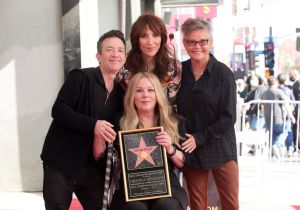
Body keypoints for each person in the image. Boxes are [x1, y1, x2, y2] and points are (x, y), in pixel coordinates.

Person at [40, 30, 126, 210]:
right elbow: (59, 110)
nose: (115, 54)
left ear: (125, 58)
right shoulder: (80, 77)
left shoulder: (121, 92)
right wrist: (93, 125)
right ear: (99, 56)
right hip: (61, 161)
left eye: (120, 50)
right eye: (109, 50)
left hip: (93, 167)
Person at [176, 17, 239, 210]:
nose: (197, 46)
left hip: (221, 147)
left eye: (203, 41)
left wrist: (200, 138)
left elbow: (229, 118)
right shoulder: (179, 71)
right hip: (191, 148)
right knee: (197, 205)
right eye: (191, 41)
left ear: (210, 42)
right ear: (184, 43)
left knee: (229, 204)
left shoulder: (223, 74)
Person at [110, 72, 188, 210]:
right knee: (135, 207)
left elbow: (184, 165)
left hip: (168, 186)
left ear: (158, 94)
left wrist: (170, 149)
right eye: (139, 91)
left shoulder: (175, 122)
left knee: (165, 205)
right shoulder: (119, 123)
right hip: (131, 188)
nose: (145, 95)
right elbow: (105, 159)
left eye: (150, 90)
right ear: (131, 96)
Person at [118, 13, 182, 105]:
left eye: (155, 35)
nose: (150, 42)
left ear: (162, 38)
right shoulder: (123, 66)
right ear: (136, 39)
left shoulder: (174, 66)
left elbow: (170, 102)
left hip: (164, 117)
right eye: (143, 36)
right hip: (130, 117)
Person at [261, 76, 295, 160]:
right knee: (285, 131)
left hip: (267, 118)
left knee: (272, 136)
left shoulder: (264, 93)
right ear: (275, 83)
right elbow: (286, 104)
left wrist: (263, 115)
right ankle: (277, 145)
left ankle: (273, 154)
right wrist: (291, 116)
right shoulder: (279, 92)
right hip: (278, 117)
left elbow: (262, 106)